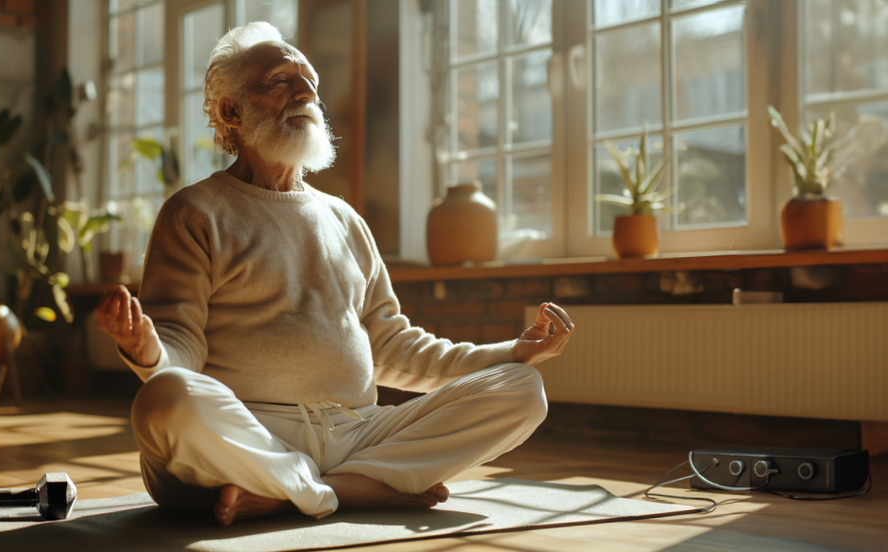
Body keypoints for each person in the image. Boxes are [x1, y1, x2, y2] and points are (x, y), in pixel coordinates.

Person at [94, 21, 574, 526]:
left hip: (357, 432)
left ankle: (305, 491)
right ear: (231, 110)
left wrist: (513, 354)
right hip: (250, 433)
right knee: (164, 401)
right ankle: (360, 487)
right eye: (281, 80)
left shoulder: (346, 220)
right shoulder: (195, 211)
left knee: (522, 389)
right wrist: (146, 348)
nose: (305, 93)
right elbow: (179, 349)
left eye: (311, 84)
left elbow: (392, 347)